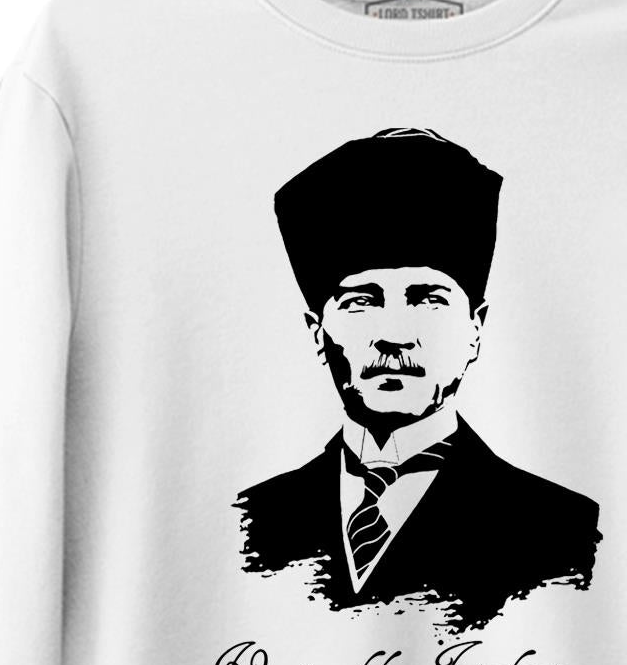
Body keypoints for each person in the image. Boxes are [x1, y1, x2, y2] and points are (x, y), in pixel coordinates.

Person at [235, 127, 602, 631]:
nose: (394, 336)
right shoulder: (256, 521)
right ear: (317, 332)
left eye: (427, 299)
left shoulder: (563, 532)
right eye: (361, 302)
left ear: (475, 330)